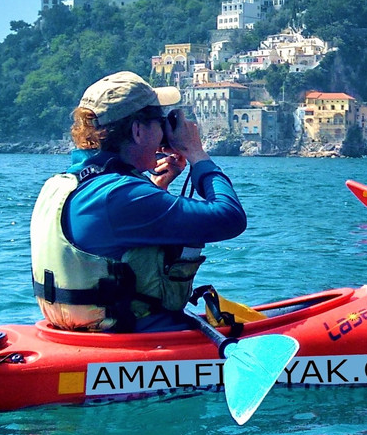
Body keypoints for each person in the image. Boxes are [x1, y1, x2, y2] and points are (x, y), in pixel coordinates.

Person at [30, 71, 247, 332]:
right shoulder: (123, 197)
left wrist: (157, 189)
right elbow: (230, 217)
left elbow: (110, 238)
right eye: (159, 121)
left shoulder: (63, 185)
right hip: (141, 338)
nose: (164, 131)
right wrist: (196, 153)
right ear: (137, 130)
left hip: (81, 334)